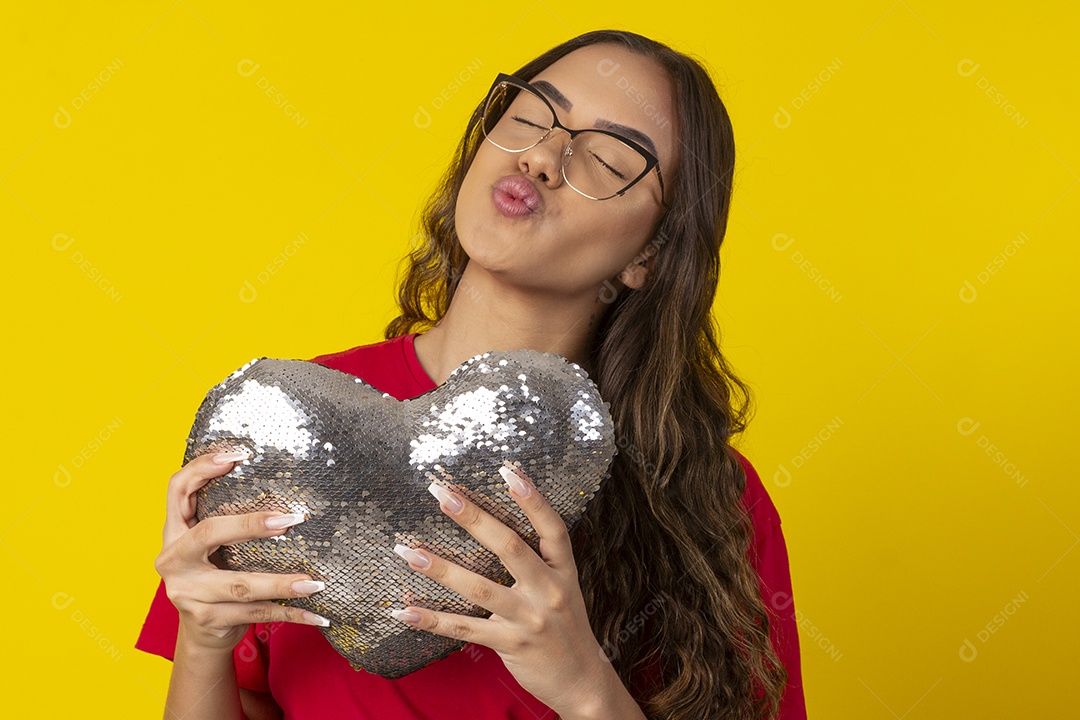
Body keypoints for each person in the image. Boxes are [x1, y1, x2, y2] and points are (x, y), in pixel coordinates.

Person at [136, 29, 808, 720]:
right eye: (529, 116)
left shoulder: (710, 501)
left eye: (607, 158)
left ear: (651, 256)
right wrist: (204, 637)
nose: (544, 155)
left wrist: (584, 687)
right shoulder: (291, 425)